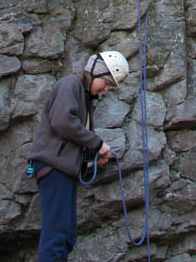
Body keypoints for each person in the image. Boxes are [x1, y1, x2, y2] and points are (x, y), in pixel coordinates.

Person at [29, 50, 130, 262]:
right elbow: (63, 122)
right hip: (53, 168)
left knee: (66, 236)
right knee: (57, 235)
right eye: (106, 82)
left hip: (62, 171)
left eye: (110, 86)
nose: (106, 89)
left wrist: (95, 156)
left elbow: (73, 137)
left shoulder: (85, 99)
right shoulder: (69, 85)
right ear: (95, 72)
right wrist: (97, 143)